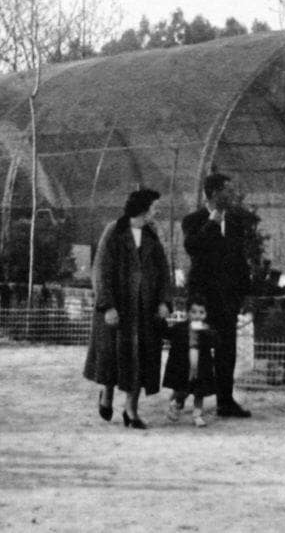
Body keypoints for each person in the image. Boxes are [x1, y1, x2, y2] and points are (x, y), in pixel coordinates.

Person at [83, 188, 171, 429]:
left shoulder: (152, 234)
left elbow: (164, 271)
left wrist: (164, 301)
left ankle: (131, 411)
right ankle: (107, 392)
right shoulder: (114, 231)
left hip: (145, 312)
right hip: (118, 310)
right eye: (155, 206)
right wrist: (107, 306)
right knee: (112, 359)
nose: (158, 210)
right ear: (143, 208)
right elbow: (100, 271)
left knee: (141, 362)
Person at [181, 173, 253, 418]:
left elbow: (241, 261)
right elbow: (193, 247)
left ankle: (225, 401)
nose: (232, 195)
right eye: (227, 190)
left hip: (227, 299)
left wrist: (245, 294)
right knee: (195, 349)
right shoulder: (193, 220)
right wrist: (212, 221)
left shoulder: (237, 222)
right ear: (213, 193)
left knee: (227, 351)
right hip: (202, 298)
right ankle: (181, 397)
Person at [162, 299, 217, 427]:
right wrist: (161, 321)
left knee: (200, 391)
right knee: (182, 390)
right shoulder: (180, 327)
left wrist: (207, 333)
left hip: (201, 366)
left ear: (206, 314)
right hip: (184, 366)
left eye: (201, 312)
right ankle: (175, 405)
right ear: (187, 313)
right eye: (194, 312)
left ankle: (197, 415)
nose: (197, 315)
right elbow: (167, 334)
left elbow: (216, 341)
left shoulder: (207, 330)